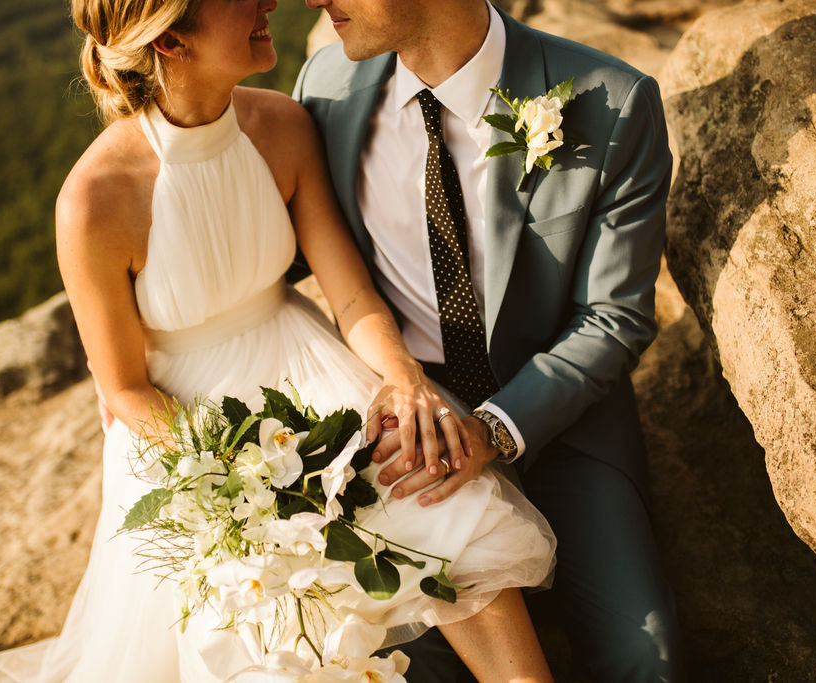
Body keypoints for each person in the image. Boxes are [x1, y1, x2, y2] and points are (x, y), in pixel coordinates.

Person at [0, 0, 557, 681]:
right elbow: (125, 388)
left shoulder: (282, 124)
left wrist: (402, 378)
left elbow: (350, 293)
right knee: (263, 622)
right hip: (192, 433)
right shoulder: (92, 201)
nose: (269, 1)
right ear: (170, 40)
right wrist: (238, 479)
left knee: (436, 492)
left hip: (308, 372)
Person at [293, 0, 683, 680]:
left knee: (643, 654)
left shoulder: (612, 102)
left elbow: (614, 316)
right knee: (406, 664)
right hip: (406, 432)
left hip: (562, 423)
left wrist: (492, 431)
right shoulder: (325, 88)